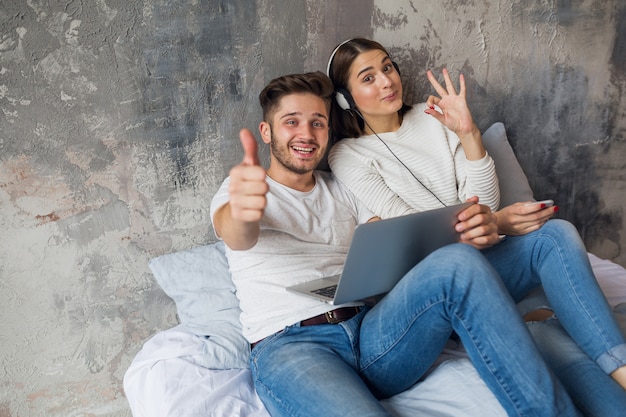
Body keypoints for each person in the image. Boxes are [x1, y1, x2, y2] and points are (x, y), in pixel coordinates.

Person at [210, 71, 579, 416]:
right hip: (294, 347)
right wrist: (244, 211)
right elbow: (238, 233)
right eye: (291, 121)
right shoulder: (240, 191)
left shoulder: (343, 187)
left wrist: (490, 221)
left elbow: (397, 245)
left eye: (317, 122)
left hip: (374, 335)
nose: (306, 133)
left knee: (456, 262)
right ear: (267, 131)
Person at [326, 37, 626, 416]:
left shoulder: (434, 116)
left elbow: (481, 205)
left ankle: (621, 370)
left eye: (387, 68)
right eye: (368, 78)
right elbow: (410, 227)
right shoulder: (347, 154)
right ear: (344, 98)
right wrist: (497, 222)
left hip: (485, 256)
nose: (387, 82)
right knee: (536, 326)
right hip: (434, 284)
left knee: (556, 233)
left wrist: (469, 134)